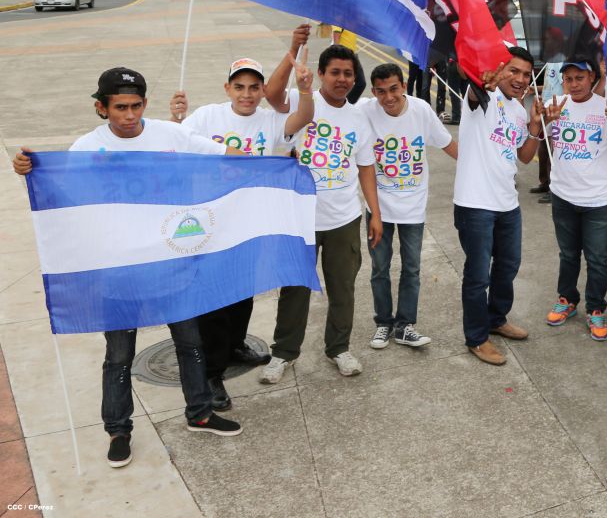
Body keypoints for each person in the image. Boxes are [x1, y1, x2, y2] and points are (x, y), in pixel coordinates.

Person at [12, 68, 244, 470]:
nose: (129, 115)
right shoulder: (85, 148)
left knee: (190, 343)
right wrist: (27, 172)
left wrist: (275, 163)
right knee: (119, 356)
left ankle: (200, 413)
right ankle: (118, 430)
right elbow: (60, 196)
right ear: (101, 108)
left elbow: (223, 155)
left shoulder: (170, 135)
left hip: (171, 263)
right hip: (118, 272)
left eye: (136, 106)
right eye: (120, 107)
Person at [168, 41, 316, 411]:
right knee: (217, 300)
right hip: (214, 223)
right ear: (227, 88)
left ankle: (235, 346)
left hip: (251, 223)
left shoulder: (269, 121)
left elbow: (302, 120)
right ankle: (212, 374)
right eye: (240, 87)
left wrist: (304, 90)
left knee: (243, 294)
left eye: (254, 87)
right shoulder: (206, 116)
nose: (247, 94)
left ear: (262, 90)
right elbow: (178, 142)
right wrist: (175, 117)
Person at [261, 42, 381, 382]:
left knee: (342, 287)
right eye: (335, 73)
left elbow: (366, 167)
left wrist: (375, 212)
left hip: (344, 217)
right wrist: (294, 48)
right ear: (322, 75)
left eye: (348, 73)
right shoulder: (302, 102)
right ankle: (283, 352)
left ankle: (339, 348)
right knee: (295, 288)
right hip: (300, 218)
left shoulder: (359, 117)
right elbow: (272, 100)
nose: (341, 79)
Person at [454, 48, 544, 365]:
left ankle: (497, 318)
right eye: (514, 71)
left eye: (525, 74)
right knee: (478, 275)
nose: (520, 79)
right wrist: (482, 82)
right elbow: (476, 88)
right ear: (500, 70)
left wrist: (534, 126)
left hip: (507, 202)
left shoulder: (519, 111)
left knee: (508, 266)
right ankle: (477, 338)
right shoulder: (482, 97)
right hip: (475, 203)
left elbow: (524, 156)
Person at [360, 63, 458, 351]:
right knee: (380, 268)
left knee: (411, 268)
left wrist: (479, 169)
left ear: (403, 85)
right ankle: (383, 323)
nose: (388, 97)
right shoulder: (366, 111)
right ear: (373, 92)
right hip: (378, 209)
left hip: (413, 208)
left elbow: (448, 145)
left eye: (393, 89)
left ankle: (405, 325)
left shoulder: (421, 111)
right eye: (380, 92)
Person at [542, 60, 607, 340]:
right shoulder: (556, 103)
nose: (574, 83)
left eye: (580, 77)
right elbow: (537, 136)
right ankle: (567, 299)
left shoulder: (606, 106)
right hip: (562, 195)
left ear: (592, 77)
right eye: (568, 78)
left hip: (598, 199)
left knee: (597, 259)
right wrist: (545, 118)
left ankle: (595, 309)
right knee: (568, 254)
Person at [531, 61, 565, 198]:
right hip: (545, 108)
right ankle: (544, 182)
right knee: (543, 147)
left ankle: (553, 188)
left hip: (555, 109)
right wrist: (532, 89)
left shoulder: (559, 61)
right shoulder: (550, 62)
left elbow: (565, 86)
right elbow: (549, 86)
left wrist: (565, 107)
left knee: (553, 148)